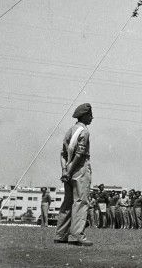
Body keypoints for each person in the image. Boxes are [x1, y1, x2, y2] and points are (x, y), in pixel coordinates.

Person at [54, 103, 94, 246]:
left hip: (67, 170)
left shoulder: (70, 130)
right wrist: (71, 170)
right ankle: (78, 235)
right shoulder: (84, 131)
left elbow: (63, 154)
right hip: (80, 168)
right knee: (81, 201)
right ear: (84, 115)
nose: (92, 118)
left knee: (68, 201)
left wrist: (65, 171)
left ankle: (61, 234)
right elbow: (79, 154)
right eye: (90, 115)